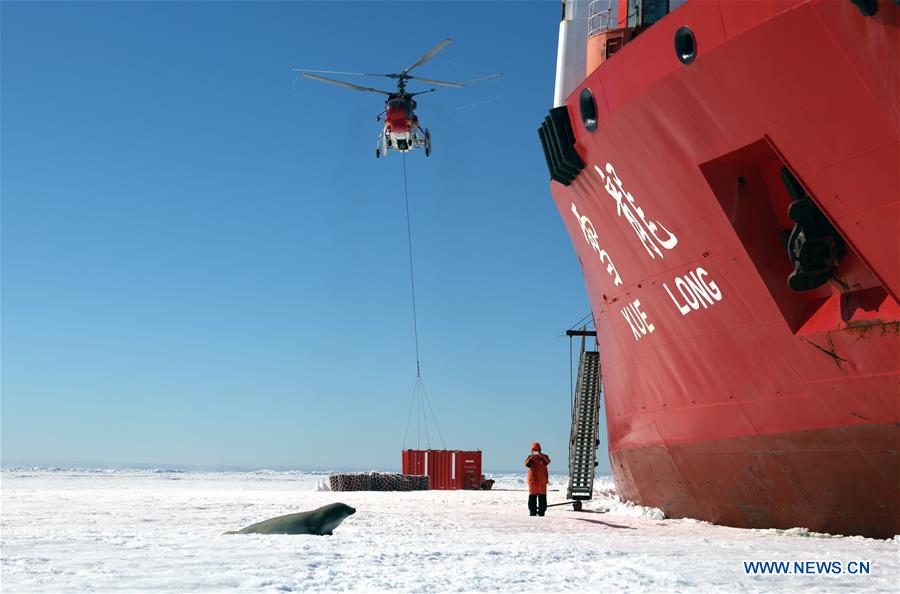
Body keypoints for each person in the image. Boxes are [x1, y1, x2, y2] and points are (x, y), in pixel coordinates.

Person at [524, 442, 550, 516]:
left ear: (540, 450)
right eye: (534, 450)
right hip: (533, 481)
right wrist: (532, 458)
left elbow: (548, 462)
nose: (535, 452)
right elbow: (526, 464)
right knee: (532, 497)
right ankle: (532, 512)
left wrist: (541, 456)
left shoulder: (544, 457)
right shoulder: (530, 457)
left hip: (542, 481)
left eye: (537, 450)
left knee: (542, 498)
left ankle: (542, 512)